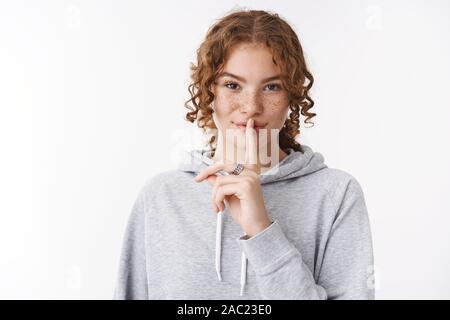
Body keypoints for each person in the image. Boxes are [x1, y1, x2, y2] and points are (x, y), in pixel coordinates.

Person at [113, 9, 375, 300]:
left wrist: (261, 229)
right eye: (232, 85)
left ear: (292, 95)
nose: (251, 106)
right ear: (208, 91)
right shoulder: (161, 197)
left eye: (272, 87)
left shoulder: (336, 194)